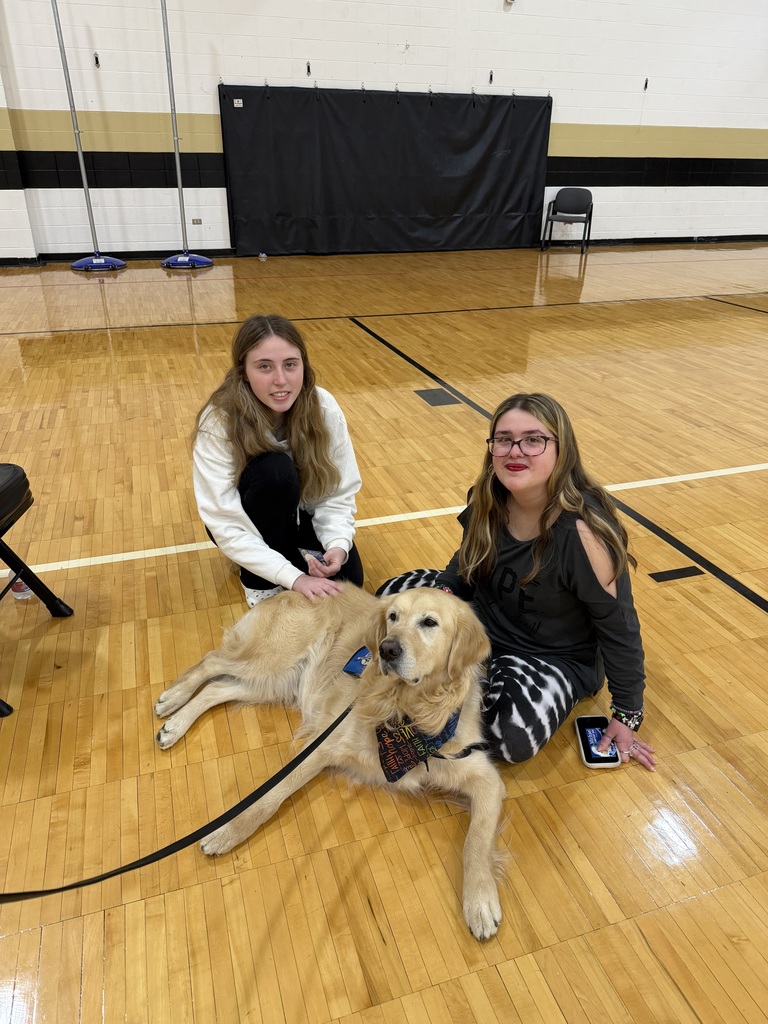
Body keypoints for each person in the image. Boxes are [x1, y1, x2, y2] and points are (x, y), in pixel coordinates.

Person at [379, 393, 655, 771]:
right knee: (391, 597)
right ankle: (458, 683)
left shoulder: (584, 535)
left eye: (533, 439)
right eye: (504, 439)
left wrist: (627, 714)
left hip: (551, 657)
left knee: (511, 736)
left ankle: (450, 689)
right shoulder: (488, 498)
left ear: (562, 449)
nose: (515, 451)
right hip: (484, 626)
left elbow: (620, 628)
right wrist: (440, 599)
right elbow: (464, 566)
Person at [193, 313, 364, 605]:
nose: (280, 380)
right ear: (243, 372)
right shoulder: (219, 421)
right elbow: (224, 520)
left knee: (347, 582)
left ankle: (284, 554)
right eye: (264, 367)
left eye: (290, 365)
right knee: (275, 471)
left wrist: (337, 545)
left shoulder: (324, 409)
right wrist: (293, 577)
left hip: (301, 516)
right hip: (245, 521)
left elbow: (338, 493)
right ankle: (255, 576)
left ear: (303, 366)